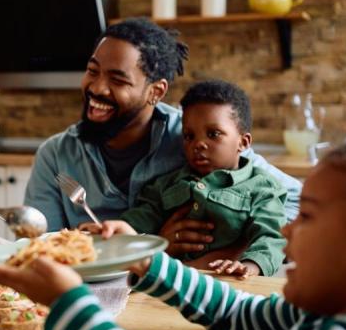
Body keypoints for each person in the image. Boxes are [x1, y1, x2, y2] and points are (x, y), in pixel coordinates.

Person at [0, 141, 346, 330]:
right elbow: (236, 315)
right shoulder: (318, 313)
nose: (286, 231)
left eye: (308, 217)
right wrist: (144, 260)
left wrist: (71, 308)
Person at [24, 18, 301, 256]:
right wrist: (155, 246)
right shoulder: (55, 156)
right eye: (92, 71)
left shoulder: (196, 140)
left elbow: (298, 205)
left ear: (156, 92)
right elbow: (42, 251)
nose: (96, 88)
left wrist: (235, 247)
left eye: (118, 80)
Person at [98, 80, 287, 277]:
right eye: (189, 136)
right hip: (171, 284)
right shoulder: (166, 184)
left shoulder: (263, 188)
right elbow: (141, 219)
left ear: (243, 142)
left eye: (213, 134)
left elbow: (273, 237)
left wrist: (250, 266)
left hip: (230, 284)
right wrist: (110, 231)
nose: (198, 144)